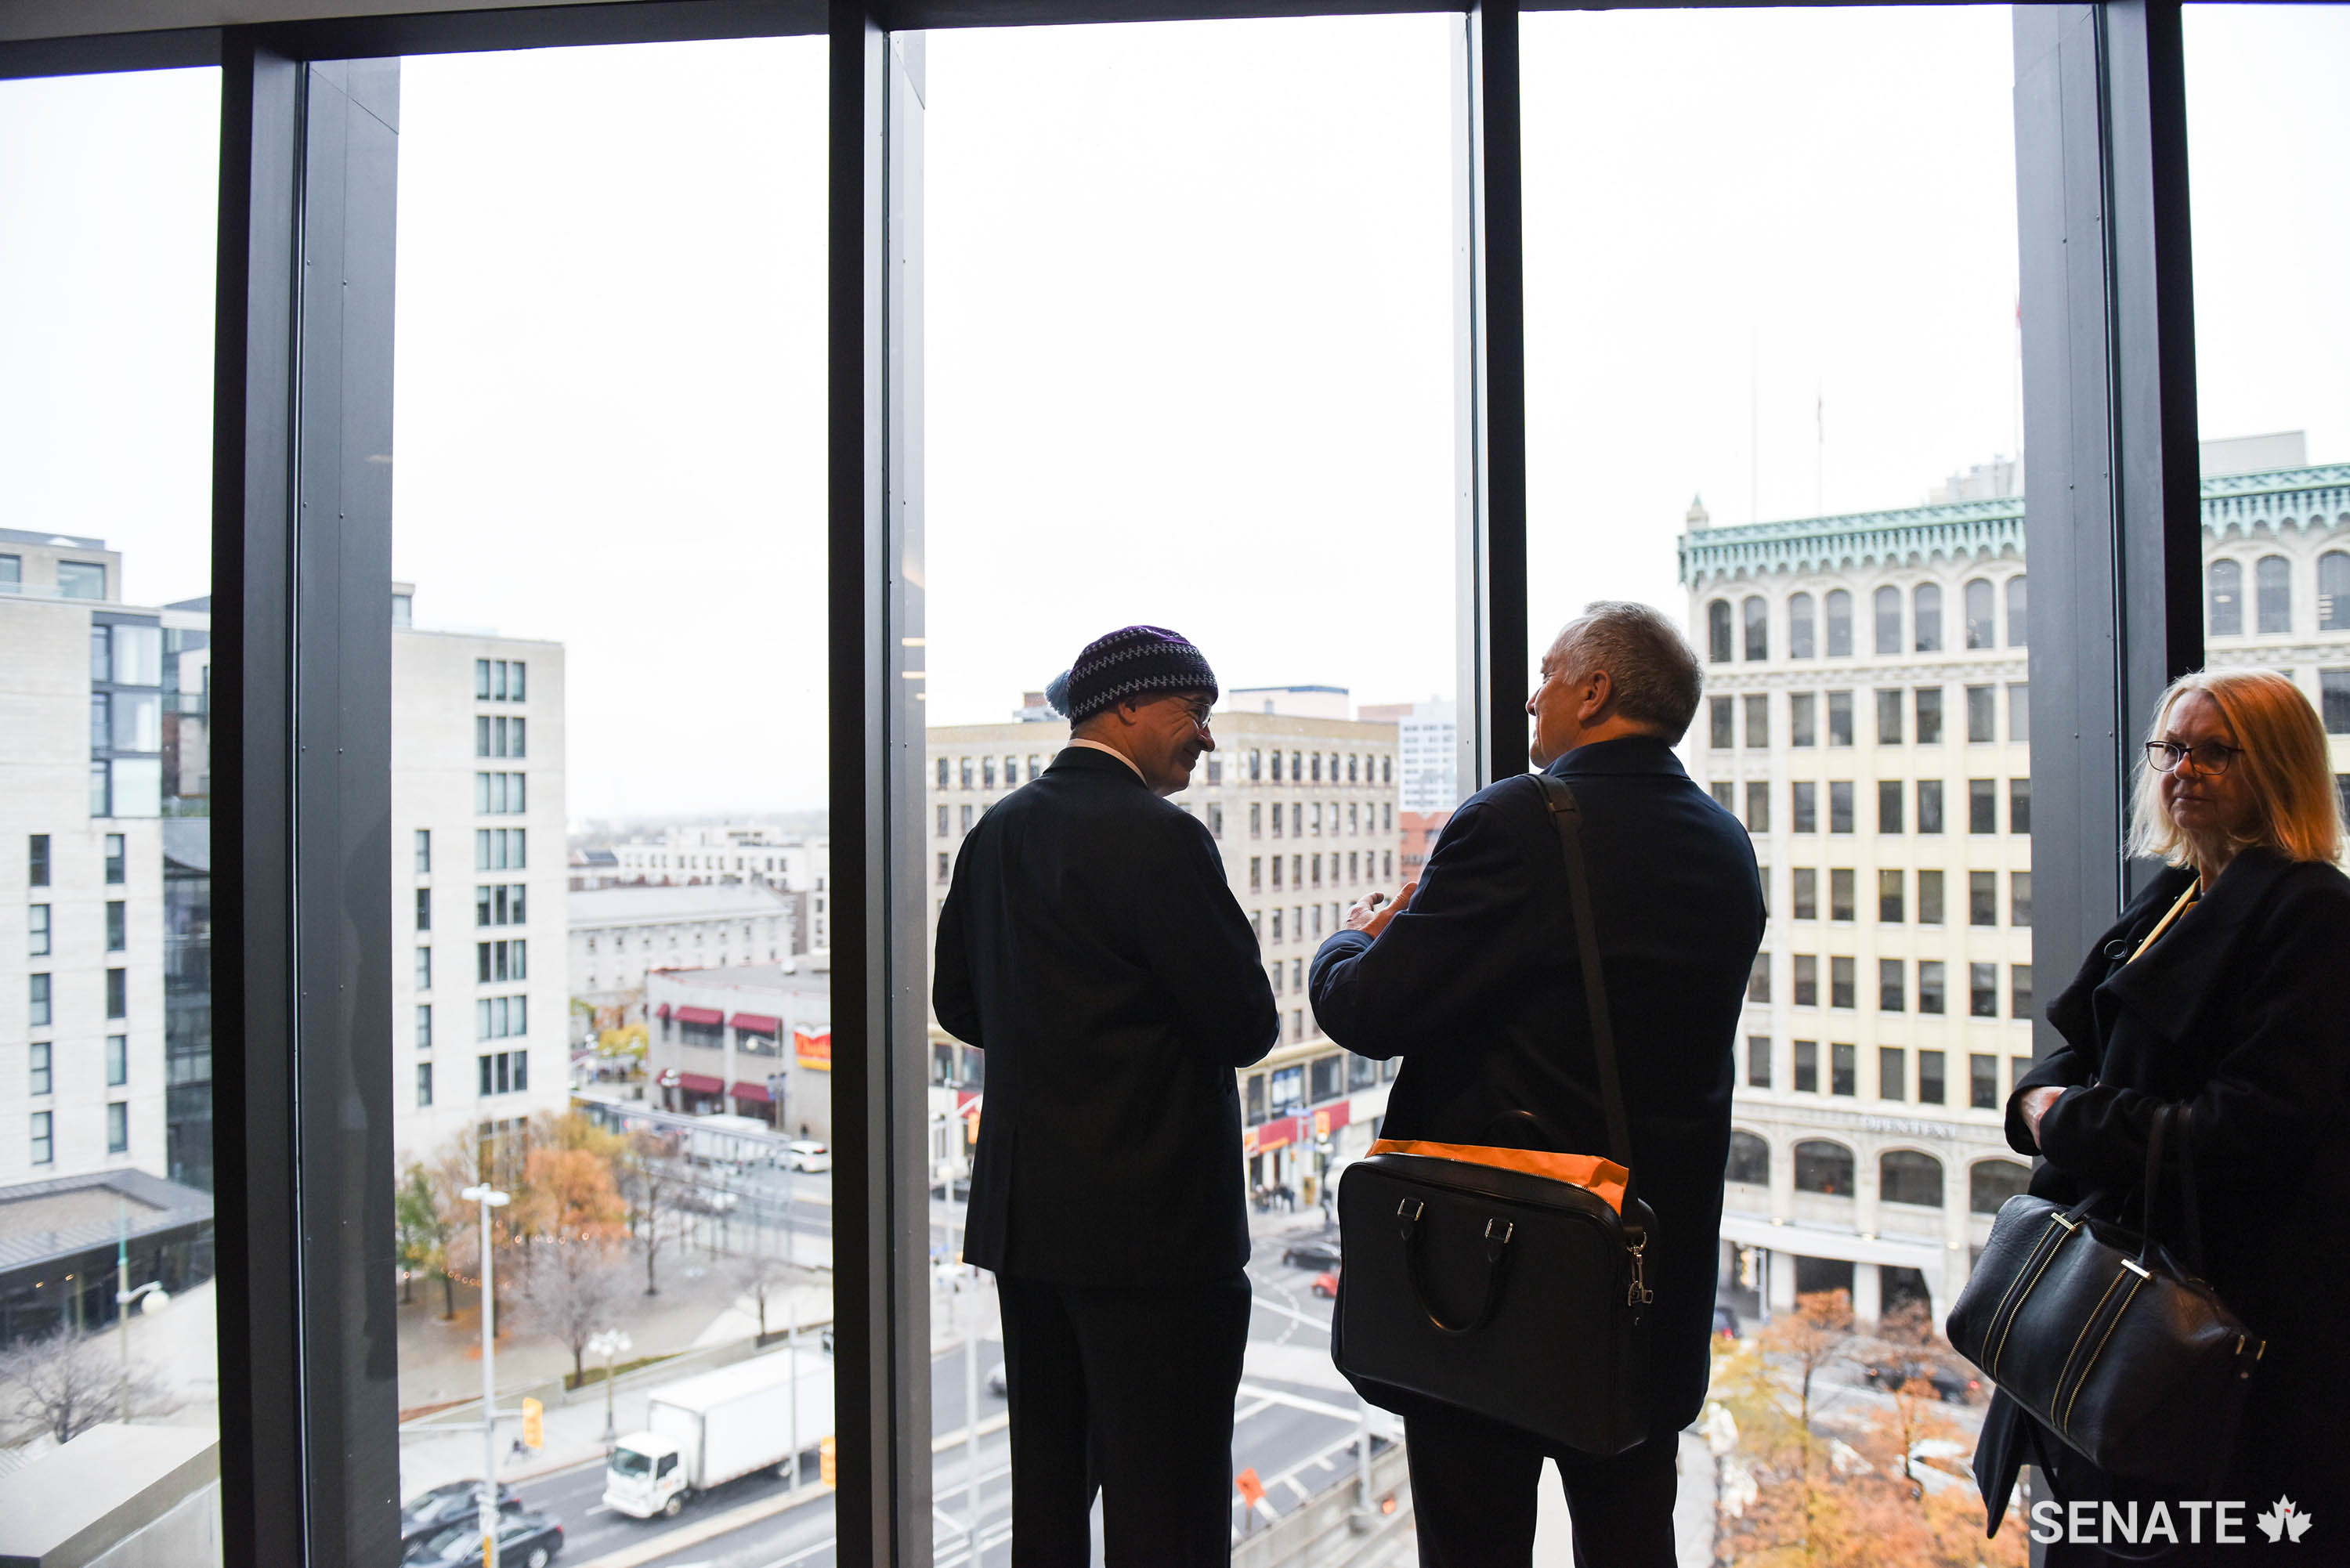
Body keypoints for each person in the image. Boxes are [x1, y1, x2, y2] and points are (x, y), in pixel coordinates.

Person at [1309, 601, 1764, 1567]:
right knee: (1632, 1540)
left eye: (1549, 672)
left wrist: (1354, 936)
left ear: (1595, 690)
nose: (1530, 695)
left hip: (1498, 1282)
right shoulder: (1726, 846)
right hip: (1643, 1280)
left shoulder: (1521, 822)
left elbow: (1368, 1012)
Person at [1975, 669, 2350, 1563]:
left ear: (2280, 767)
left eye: (2215, 750)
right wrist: (2039, 1097)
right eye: (2173, 748)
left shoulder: (2314, 912)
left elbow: (2250, 1126)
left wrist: (2063, 1119)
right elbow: (2091, 1040)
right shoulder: (2180, 891)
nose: (2184, 769)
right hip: (2114, 1300)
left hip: (2211, 1326)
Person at [933, 624, 1278, 1566]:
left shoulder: (995, 830)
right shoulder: (1164, 842)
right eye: (1193, 713)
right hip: (1156, 1241)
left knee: (1047, 1492)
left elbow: (955, 1002)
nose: (1205, 737)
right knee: (1166, 1505)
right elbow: (1248, 1025)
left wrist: (1056, 1046)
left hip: (1030, 1229)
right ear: (1127, 705)